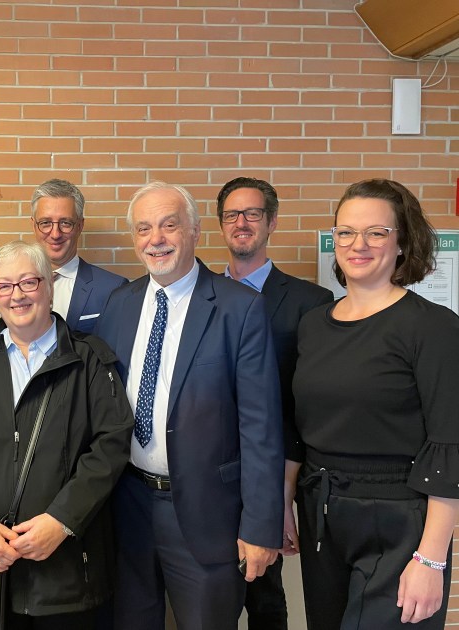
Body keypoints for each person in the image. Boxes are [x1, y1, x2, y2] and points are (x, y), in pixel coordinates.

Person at [94, 181, 284, 630]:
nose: (155, 239)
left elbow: (260, 427)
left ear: (195, 231)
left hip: (207, 515)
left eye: (169, 225)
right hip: (128, 505)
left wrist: (260, 527)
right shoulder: (119, 305)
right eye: (144, 228)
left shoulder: (240, 309)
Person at [0, 241, 134, 629]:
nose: (17, 295)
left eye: (28, 282)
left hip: (67, 570)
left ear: (49, 286)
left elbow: (110, 446)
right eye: (4, 286)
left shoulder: (89, 359)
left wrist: (62, 521)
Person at [291, 179, 459, 629]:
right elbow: (297, 428)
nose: (358, 244)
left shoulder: (434, 328)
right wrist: (284, 505)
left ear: (402, 242)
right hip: (322, 510)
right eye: (346, 232)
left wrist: (431, 559)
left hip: (399, 519)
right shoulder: (313, 325)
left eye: (376, 233)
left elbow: (450, 443)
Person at [217, 176, 334, 630]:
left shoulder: (310, 302)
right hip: (207, 475)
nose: (241, 223)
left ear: (271, 222)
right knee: (210, 597)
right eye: (232, 214)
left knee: (265, 596)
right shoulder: (199, 294)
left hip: (270, 471)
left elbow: (305, 403)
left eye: (253, 213)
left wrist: (283, 494)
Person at [31, 179, 127, 333]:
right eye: (46, 223)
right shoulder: (13, 285)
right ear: (34, 225)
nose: (55, 234)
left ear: (80, 226)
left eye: (65, 223)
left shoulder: (113, 289)